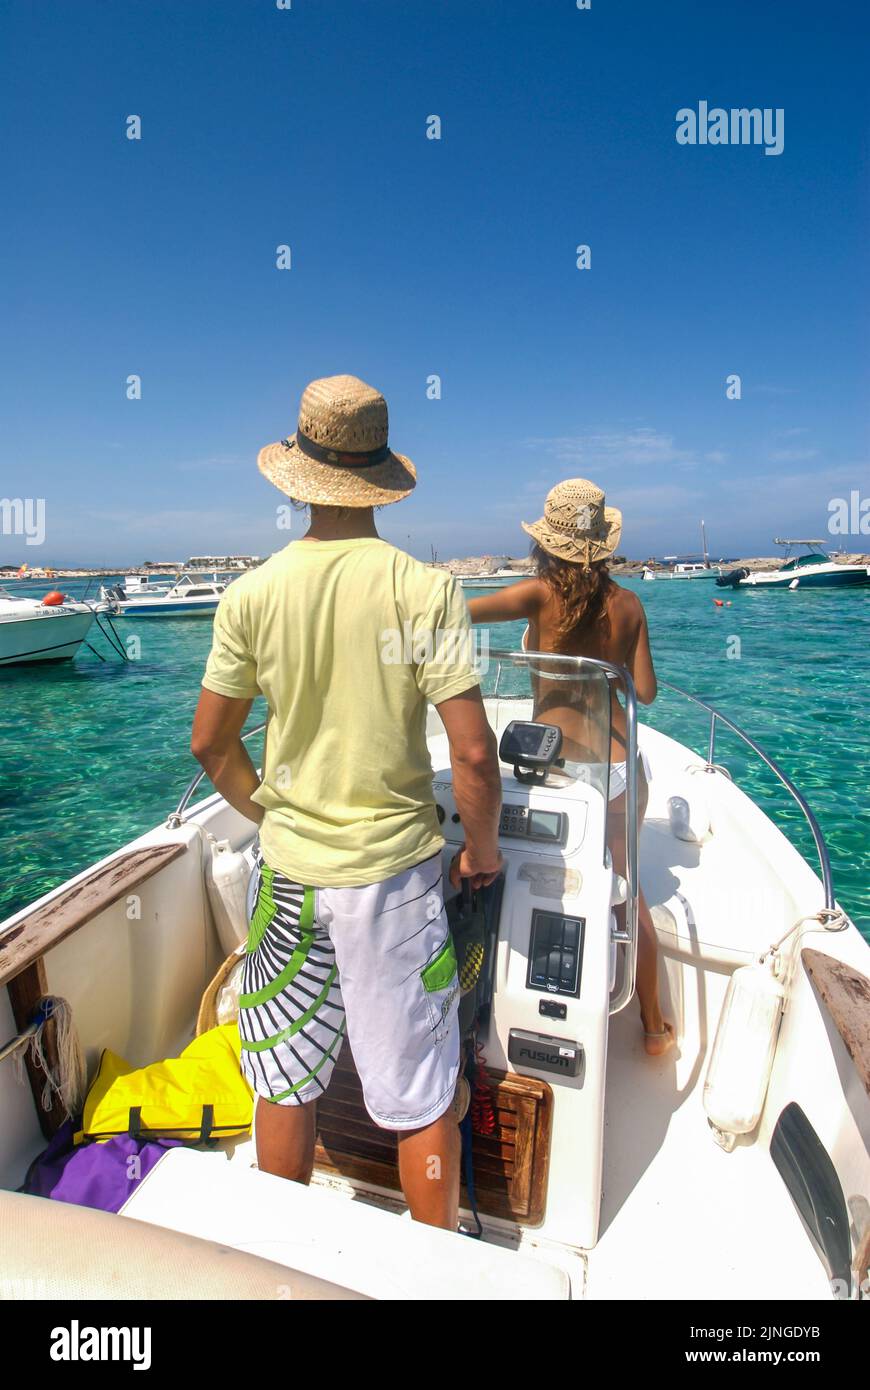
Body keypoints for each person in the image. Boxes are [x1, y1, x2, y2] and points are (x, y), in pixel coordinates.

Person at [191, 375, 503, 1229]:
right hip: (392, 884)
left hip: (287, 878)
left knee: (284, 1082)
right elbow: (473, 751)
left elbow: (211, 746)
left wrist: (272, 815)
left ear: (298, 474)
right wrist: (482, 850)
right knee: (418, 1094)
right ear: (379, 480)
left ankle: (278, 1260)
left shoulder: (250, 594)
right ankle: (435, 1272)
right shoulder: (422, 590)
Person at [466, 478, 675, 1057]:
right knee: (626, 891)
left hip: (560, 769)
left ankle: (524, 1014)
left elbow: (455, 615)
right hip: (617, 766)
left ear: (546, 544)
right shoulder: (629, 604)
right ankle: (654, 1027)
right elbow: (648, 694)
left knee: (540, 885)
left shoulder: (536, 595)